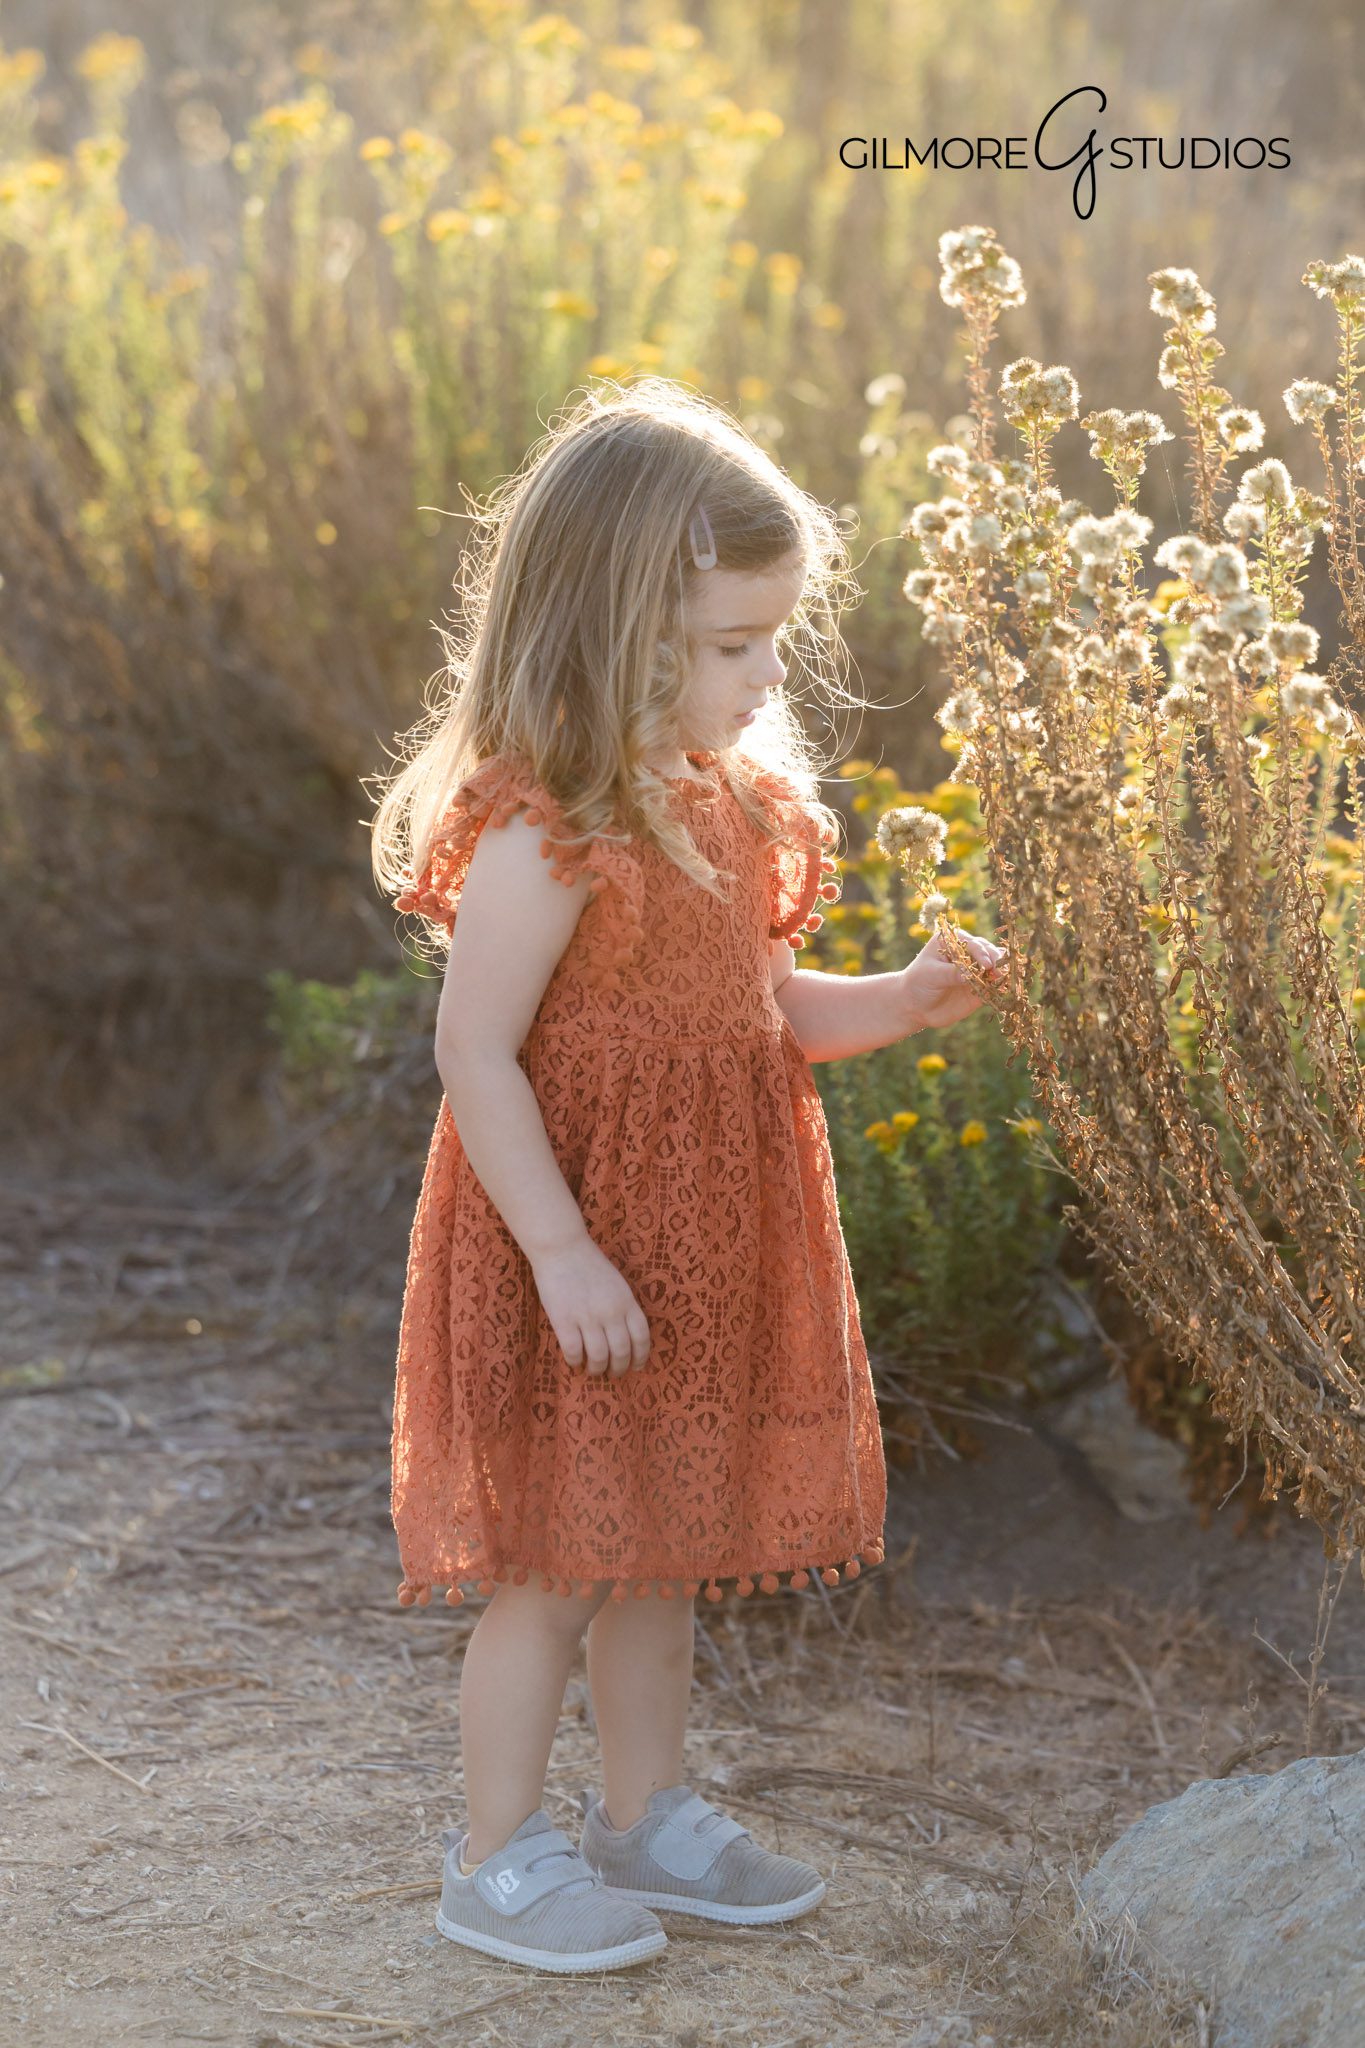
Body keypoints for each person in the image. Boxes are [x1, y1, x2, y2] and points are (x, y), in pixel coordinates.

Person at [367, 377, 1008, 1975]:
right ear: (609, 634)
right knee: (560, 1564)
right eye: (730, 646)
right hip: (571, 1247)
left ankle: (643, 1815)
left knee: (661, 1546)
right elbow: (476, 1054)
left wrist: (903, 1002)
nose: (764, 673)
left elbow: (762, 1013)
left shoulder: (725, 814)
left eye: (769, 640)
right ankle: (494, 1854)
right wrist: (565, 1252)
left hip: (701, 1247)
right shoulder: (545, 833)